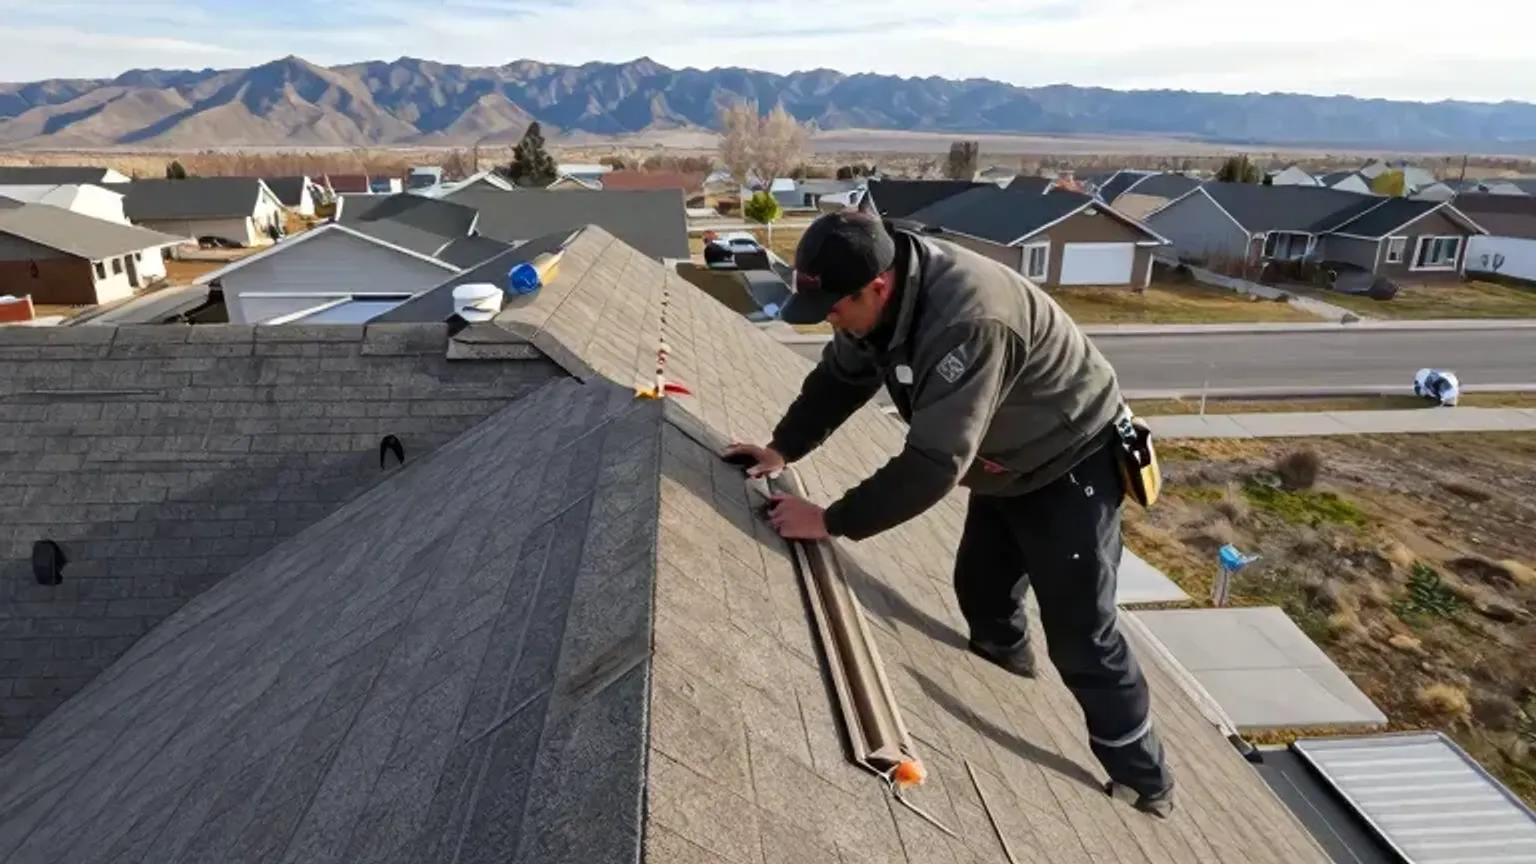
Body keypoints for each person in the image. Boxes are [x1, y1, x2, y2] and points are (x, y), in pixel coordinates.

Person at [723, 211, 1175, 816]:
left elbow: (935, 464)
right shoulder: (876, 297)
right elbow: (840, 377)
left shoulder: (967, 320)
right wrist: (783, 448)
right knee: (981, 592)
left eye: (835, 308)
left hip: (1073, 461)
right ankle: (1006, 672)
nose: (830, 319)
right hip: (1004, 459)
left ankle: (1147, 779)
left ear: (877, 288)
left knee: (1081, 635)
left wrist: (831, 520)